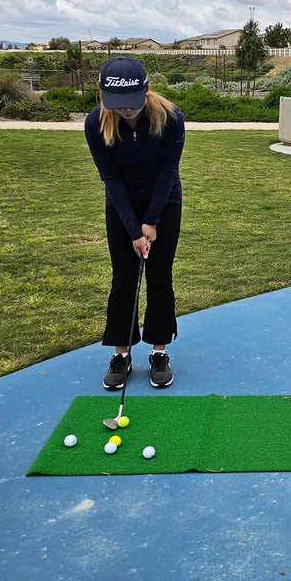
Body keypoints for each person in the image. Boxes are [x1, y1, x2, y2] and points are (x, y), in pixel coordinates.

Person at [84, 56, 185, 390]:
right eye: (118, 105)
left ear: (146, 92)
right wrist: (133, 230)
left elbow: (168, 172)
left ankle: (158, 352)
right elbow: (110, 178)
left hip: (164, 201)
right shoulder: (96, 122)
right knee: (124, 279)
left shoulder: (170, 118)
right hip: (121, 204)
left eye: (132, 103)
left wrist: (152, 222)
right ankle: (122, 355)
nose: (126, 110)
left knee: (158, 277)